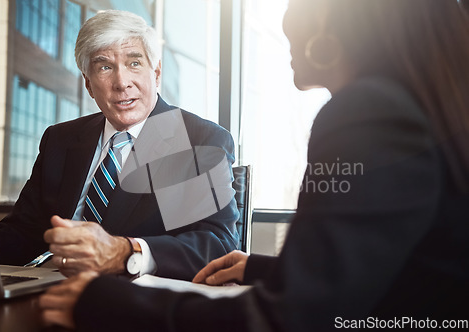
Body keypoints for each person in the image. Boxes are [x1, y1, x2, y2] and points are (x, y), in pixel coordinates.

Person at [40, 0, 469, 330]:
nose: (286, 20)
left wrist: (103, 301)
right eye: (104, 66)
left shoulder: (367, 114)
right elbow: (396, 266)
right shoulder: (420, 112)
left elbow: (289, 317)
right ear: (87, 81)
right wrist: (266, 267)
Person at [0, 10, 240, 282]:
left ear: (155, 73)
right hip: (49, 287)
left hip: (136, 300)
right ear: (88, 83)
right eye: (105, 67)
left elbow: (217, 245)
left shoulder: (197, 141)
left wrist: (125, 253)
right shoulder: (60, 140)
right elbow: (23, 231)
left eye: (134, 63)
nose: (122, 83)